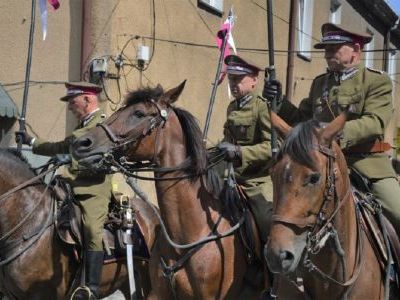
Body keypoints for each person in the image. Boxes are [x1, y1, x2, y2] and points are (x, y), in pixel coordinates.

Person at [263, 22, 400, 236]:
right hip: (322, 163)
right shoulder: (320, 84)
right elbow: (302, 120)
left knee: (398, 212)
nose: (327, 54)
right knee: (283, 210)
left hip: (365, 164)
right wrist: (278, 101)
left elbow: (375, 121)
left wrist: (331, 133)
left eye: (333, 48)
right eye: (325, 48)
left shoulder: (376, 81)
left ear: (356, 49)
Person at [16, 81, 111, 300]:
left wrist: (67, 170)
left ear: (88, 99)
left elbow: (99, 163)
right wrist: (32, 141)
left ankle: (92, 287)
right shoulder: (82, 126)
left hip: (93, 190)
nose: (69, 107)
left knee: (91, 228)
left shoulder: (103, 127)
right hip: (69, 187)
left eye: (72, 101)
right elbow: (60, 147)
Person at [217, 54, 274, 243]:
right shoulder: (232, 107)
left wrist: (241, 152)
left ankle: (272, 266)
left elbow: (273, 146)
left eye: (239, 79)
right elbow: (228, 141)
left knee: (267, 220)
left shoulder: (263, 107)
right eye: (231, 79)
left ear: (254, 80)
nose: (234, 84)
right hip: (231, 175)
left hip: (256, 179)